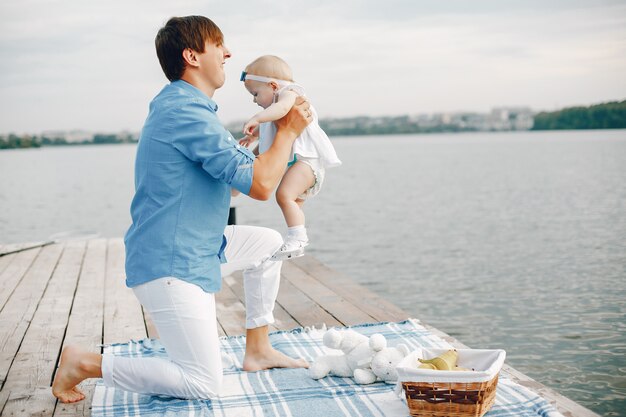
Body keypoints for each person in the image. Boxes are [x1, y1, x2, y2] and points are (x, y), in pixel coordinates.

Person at [52, 16, 312, 404]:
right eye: (218, 45)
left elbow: (239, 186)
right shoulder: (184, 113)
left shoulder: (190, 109)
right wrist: (288, 132)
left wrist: (262, 151)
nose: (228, 53)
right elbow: (259, 187)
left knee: (269, 243)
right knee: (202, 384)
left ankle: (257, 349)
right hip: (171, 265)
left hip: (198, 247)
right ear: (192, 55)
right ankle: (86, 363)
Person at [239, 55, 341, 260]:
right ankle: (296, 241)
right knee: (290, 201)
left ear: (274, 85)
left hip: (307, 163)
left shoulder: (290, 95)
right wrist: (253, 138)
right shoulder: (273, 111)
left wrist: (256, 117)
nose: (254, 100)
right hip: (299, 164)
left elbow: (282, 110)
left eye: (256, 93)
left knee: (283, 196)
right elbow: (270, 131)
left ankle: (298, 238)